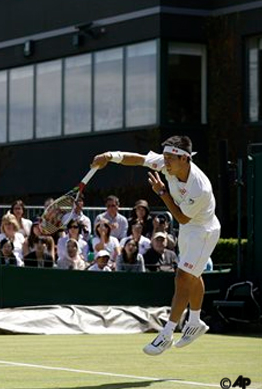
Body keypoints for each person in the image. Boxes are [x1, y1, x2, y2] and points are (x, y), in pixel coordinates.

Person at [91, 135, 221, 355]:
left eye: (171, 158)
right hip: (189, 230)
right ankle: (196, 321)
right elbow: (139, 159)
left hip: (203, 231)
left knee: (182, 277)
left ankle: (167, 334)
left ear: (185, 159)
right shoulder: (167, 164)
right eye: (166, 157)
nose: (165, 161)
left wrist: (162, 192)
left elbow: (181, 218)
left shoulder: (200, 188)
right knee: (193, 274)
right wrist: (109, 156)